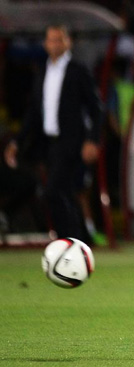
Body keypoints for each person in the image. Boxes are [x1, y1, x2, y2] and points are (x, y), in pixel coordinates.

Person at [4, 25, 102, 244]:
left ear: (68, 42)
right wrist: (17, 142)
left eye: (59, 39)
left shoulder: (78, 70)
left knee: (53, 191)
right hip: (49, 144)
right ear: (45, 43)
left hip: (71, 142)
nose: (54, 44)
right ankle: (81, 240)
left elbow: (96, 108)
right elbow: (33, 113)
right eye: (51, 40)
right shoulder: (42, 72)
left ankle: (68, 240)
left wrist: (92, 140)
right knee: (65, 192)